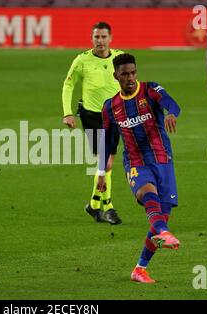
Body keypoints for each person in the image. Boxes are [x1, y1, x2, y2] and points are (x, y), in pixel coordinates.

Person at [97, 53, 180, 283]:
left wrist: (172, 113)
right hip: (135, 161)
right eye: (125, 74)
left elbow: (171, 103)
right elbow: (107, 140)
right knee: (147, 193)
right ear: (116, 76)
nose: (130, 77)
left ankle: (139, 270)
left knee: (162, 215)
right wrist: (102, 171)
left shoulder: (150, 90)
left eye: (133, 72)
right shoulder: (110, 106)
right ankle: (163, 232)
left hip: (162, 160)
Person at [62, 21, 123, 225]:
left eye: (103, 37)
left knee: (108, 162)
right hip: (92, 116)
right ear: (92, 38)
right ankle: (109, 207)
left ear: (110, 38)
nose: (100, 40)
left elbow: (130, 85)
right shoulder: (82, 60)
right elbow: (68, 85)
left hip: (115, 116)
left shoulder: (119, 58)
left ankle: (93, 205)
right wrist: (67, 113)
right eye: (96, 37)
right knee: (104, 162)